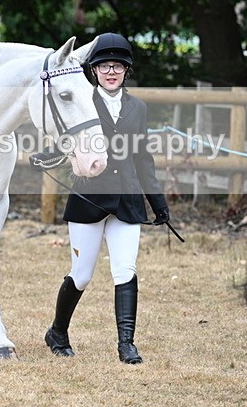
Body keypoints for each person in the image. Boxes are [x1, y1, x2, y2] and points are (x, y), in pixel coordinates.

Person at [44, 32, 170, 364]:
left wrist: (157, 202)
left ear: (126, 71)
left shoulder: (137, 108)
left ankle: (126, 343)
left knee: (125, 269)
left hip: (127, 201)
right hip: (89, 199)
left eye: (117, 66)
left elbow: (143, 158)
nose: (111, 71)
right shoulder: (84, 100)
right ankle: (58, 331)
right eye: (104, 66)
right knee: (82, 274)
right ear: (94, 71)